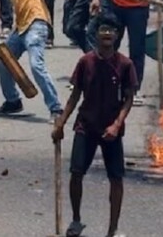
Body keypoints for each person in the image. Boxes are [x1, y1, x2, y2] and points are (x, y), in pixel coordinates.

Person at [52, 14, 137, 237]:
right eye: (103, 30)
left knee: (116, 178)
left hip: (111, 129)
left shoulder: (125, 65)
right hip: (86, 125)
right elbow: (75, 96)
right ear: (97, 34)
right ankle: (76, 220)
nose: (107, 33)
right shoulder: (85, 62)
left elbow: (128, 99)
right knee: (76, 173)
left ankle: (113, 228)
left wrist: (117, 125)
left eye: (111, 30)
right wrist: (61, 122)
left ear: (117, 35)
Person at [0, 0, 68, 121]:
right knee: (3, 65)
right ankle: (13, 101)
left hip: (36, 22)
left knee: (36, 66)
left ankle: (56, 108)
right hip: (21, 28)